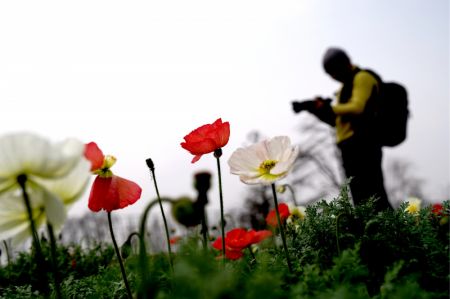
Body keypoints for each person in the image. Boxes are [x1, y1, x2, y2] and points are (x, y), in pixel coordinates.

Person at [292, 47, 392, 212]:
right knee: (360, 199)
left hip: (364, 144)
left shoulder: (362, 78)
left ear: (343, 64)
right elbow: (337, 122)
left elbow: (357, 107)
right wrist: (315, 109)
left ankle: (396, 234)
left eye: (334, 72)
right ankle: (374, 236)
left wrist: (330, 108)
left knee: (374, 194)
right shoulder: (343, 88)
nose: (333, 77)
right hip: (349, 148)